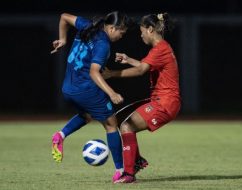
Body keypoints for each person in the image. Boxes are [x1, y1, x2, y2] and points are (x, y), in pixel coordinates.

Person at [50, 11, 132, 182]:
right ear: (112, 28)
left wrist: (63, 39)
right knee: (111, 124)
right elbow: (94, 72)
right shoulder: (103, 44)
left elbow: (64, 16)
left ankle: (60, 135)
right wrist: (112, 93)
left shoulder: (88, 26)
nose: (121, 37)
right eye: (121, 33)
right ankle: (121, 171)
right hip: (85, 88)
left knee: (87, 115)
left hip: (68, 88)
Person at [103, 12, 181, 183]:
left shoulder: (160, 48)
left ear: (150, 29)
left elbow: (141, 70)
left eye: (142, 31)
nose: (141, 35)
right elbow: (144, 66)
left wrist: (112, 74)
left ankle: (129, 174)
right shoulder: (161, 48)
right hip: (160, 100)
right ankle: (136, 160)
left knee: (127, 126)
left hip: (166, 103)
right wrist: (129, 59)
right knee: (118, 119)